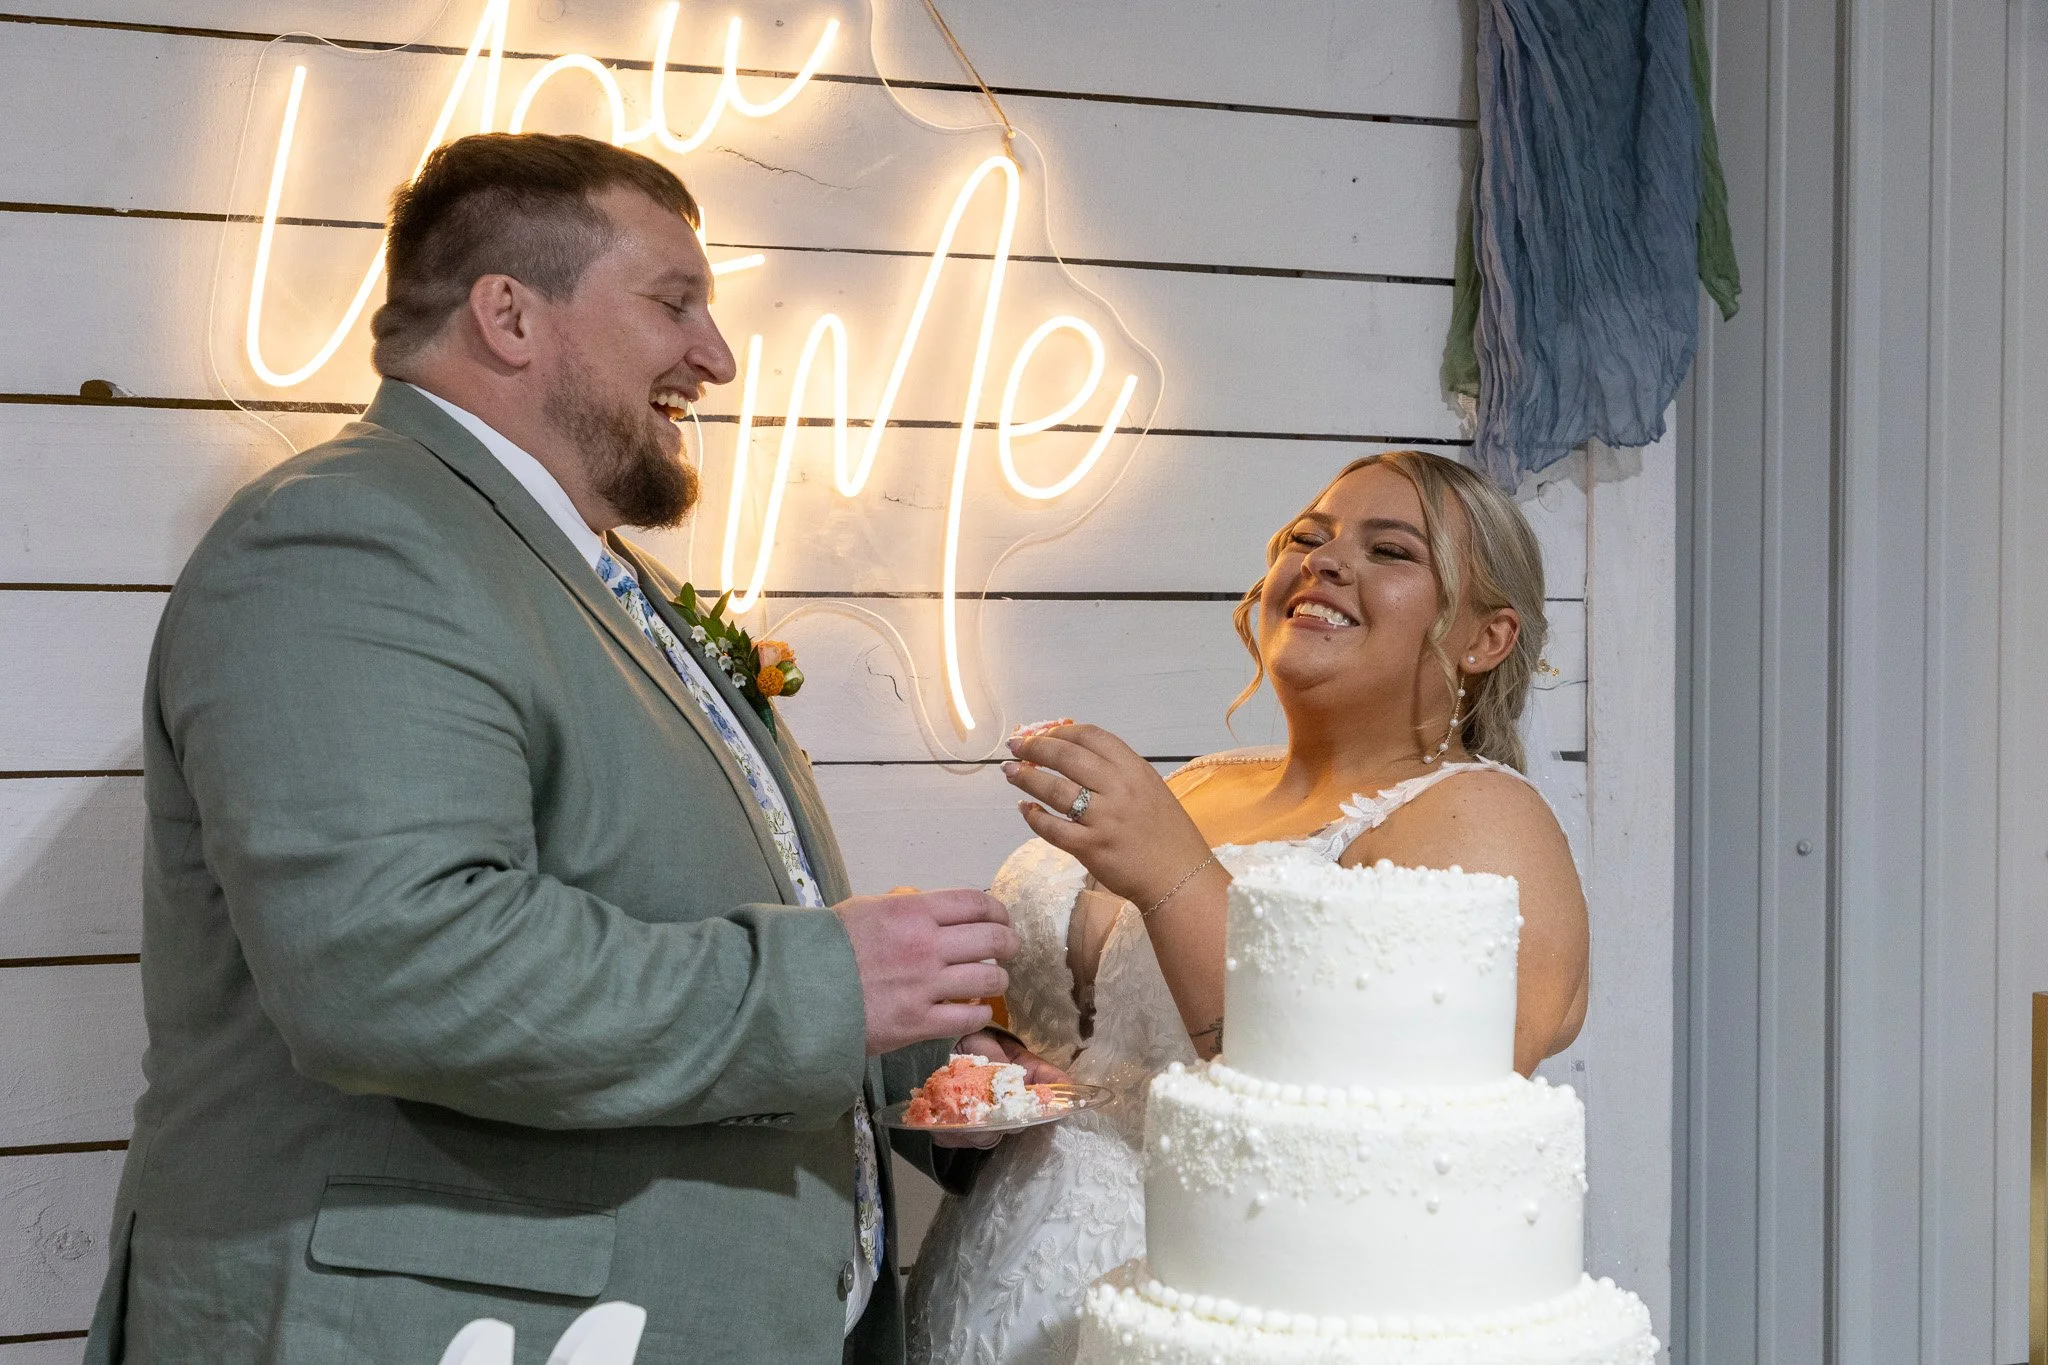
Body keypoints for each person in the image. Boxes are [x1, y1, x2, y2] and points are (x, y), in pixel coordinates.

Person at [83, 132, 1056, 1365]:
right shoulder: (347, 538)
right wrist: (823, 986)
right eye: (674, 301)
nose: (714, 354)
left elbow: (655, 910)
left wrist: (918, 1051)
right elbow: (400, 965)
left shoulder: (591, 577)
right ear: (508, 315)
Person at [905, 450, 1590, 1363]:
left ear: (1484, 637)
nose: (1326, 560)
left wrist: (1174, 873)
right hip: (977, 1291)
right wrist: (987, 1052)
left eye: (1391, 551)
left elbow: (1394, 1144)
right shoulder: (1198, 780)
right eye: (1308, 537)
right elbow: (1098, 1048)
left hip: (1209, 1321)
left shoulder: (1488, 821)